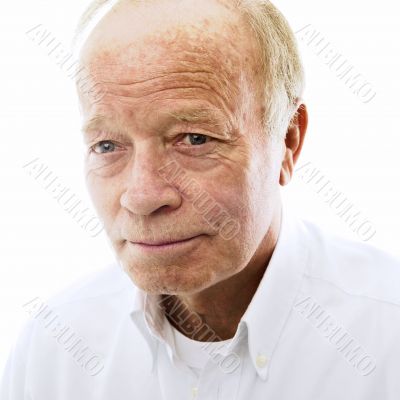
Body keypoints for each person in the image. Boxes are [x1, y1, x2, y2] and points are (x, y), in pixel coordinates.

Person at [1, 0, 400, 399]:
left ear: (288, 141)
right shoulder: (54, 349)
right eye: (107, 145)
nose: (142, 197)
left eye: (194, 139)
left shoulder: (385, 337)